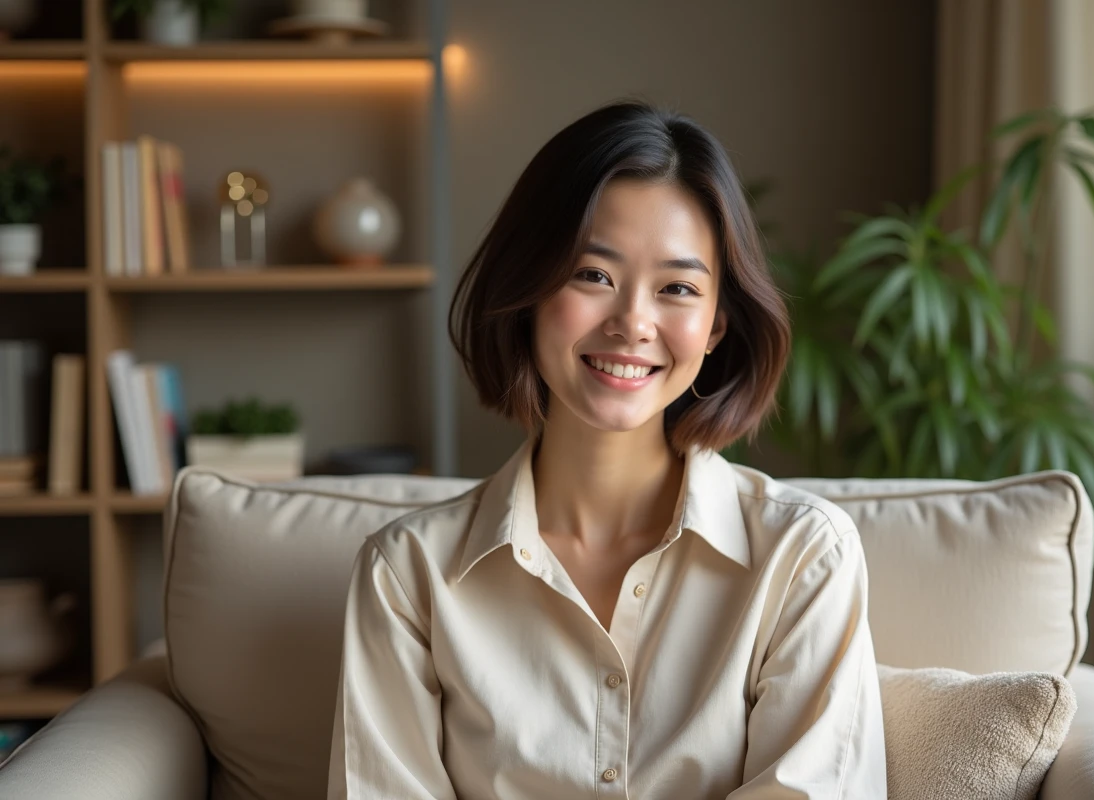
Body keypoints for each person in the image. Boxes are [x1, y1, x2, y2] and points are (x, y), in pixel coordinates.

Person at [327, 100, 887, 799]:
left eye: (677, 288)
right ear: (526, 289)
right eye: (593, 275)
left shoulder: (803, 557)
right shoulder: (407, 575)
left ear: (716, 325)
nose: (632, 323)